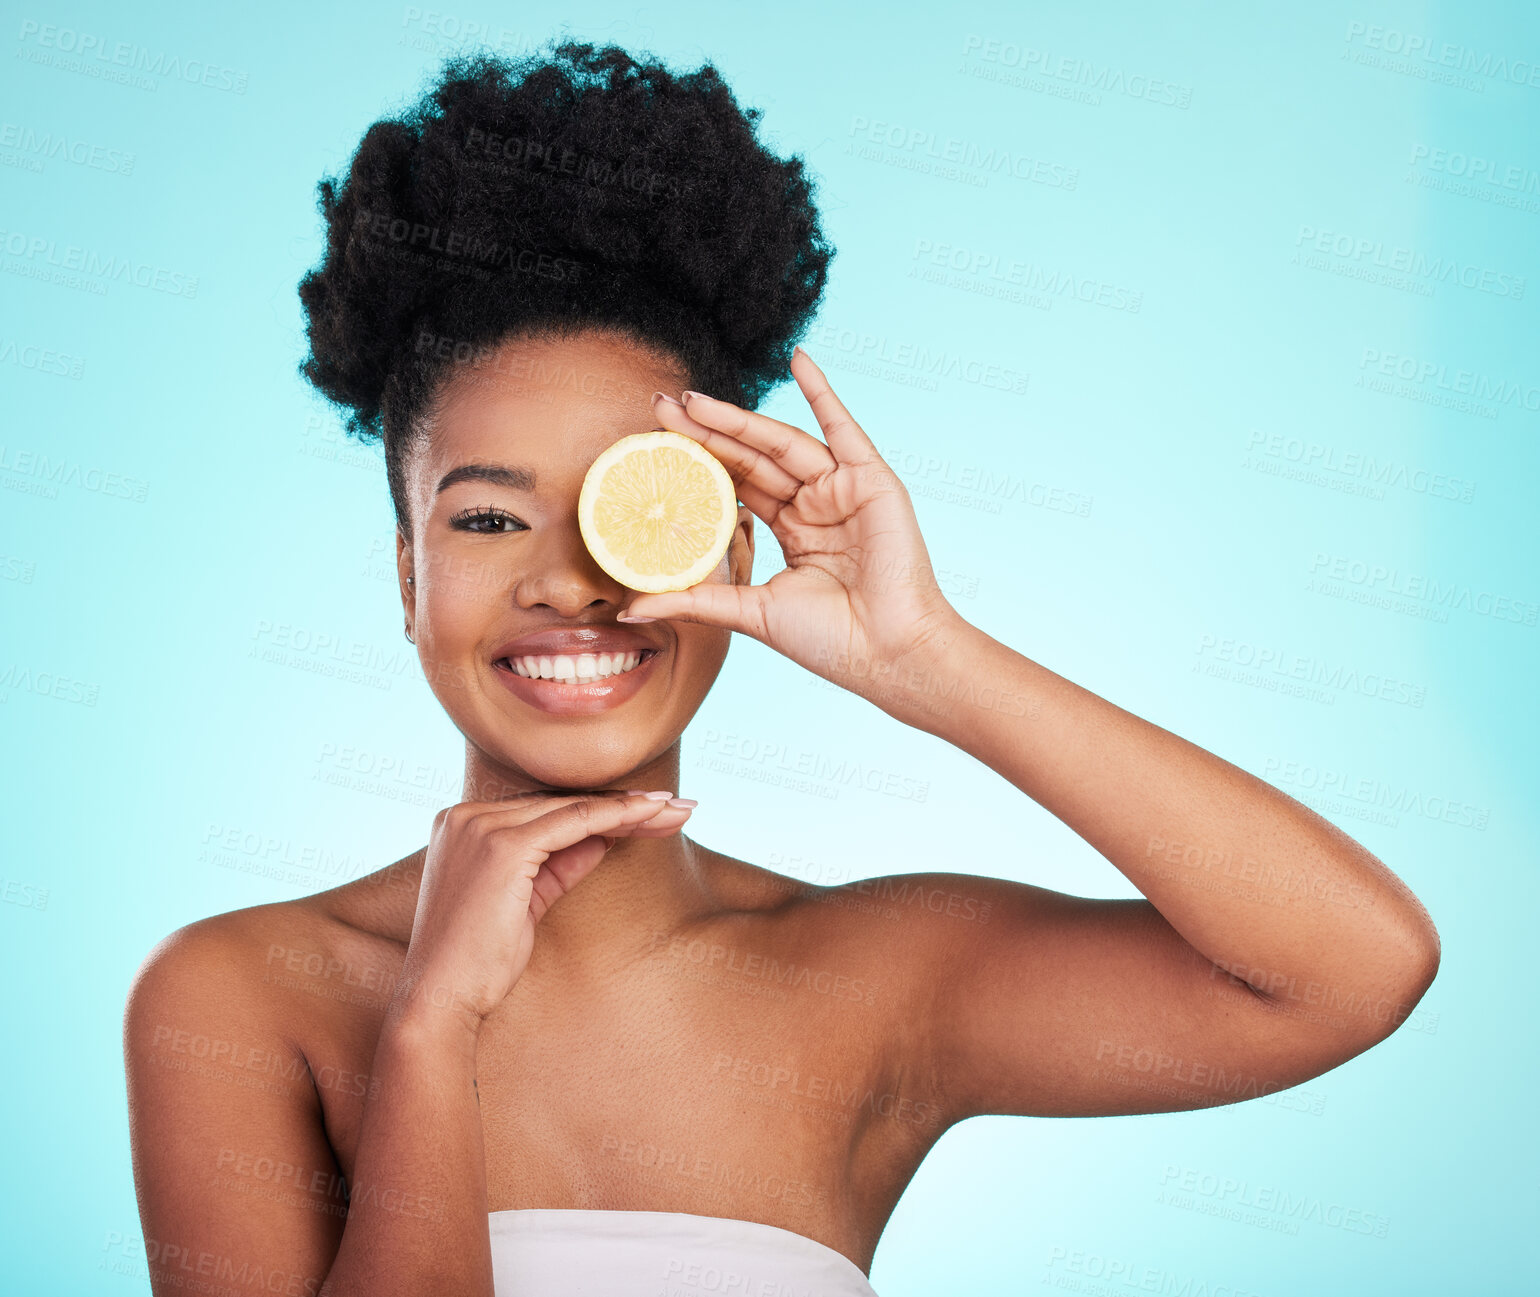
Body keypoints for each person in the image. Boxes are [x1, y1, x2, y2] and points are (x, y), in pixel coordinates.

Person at [122, 40, 1441, 1297]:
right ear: (410, 575)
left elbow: (1349, 968)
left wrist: (928, 655)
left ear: (733, 540)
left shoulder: (871, 979)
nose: (572, 580)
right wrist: (428, 1026)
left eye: (630, 509)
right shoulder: (241, 993)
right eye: (486, 516)